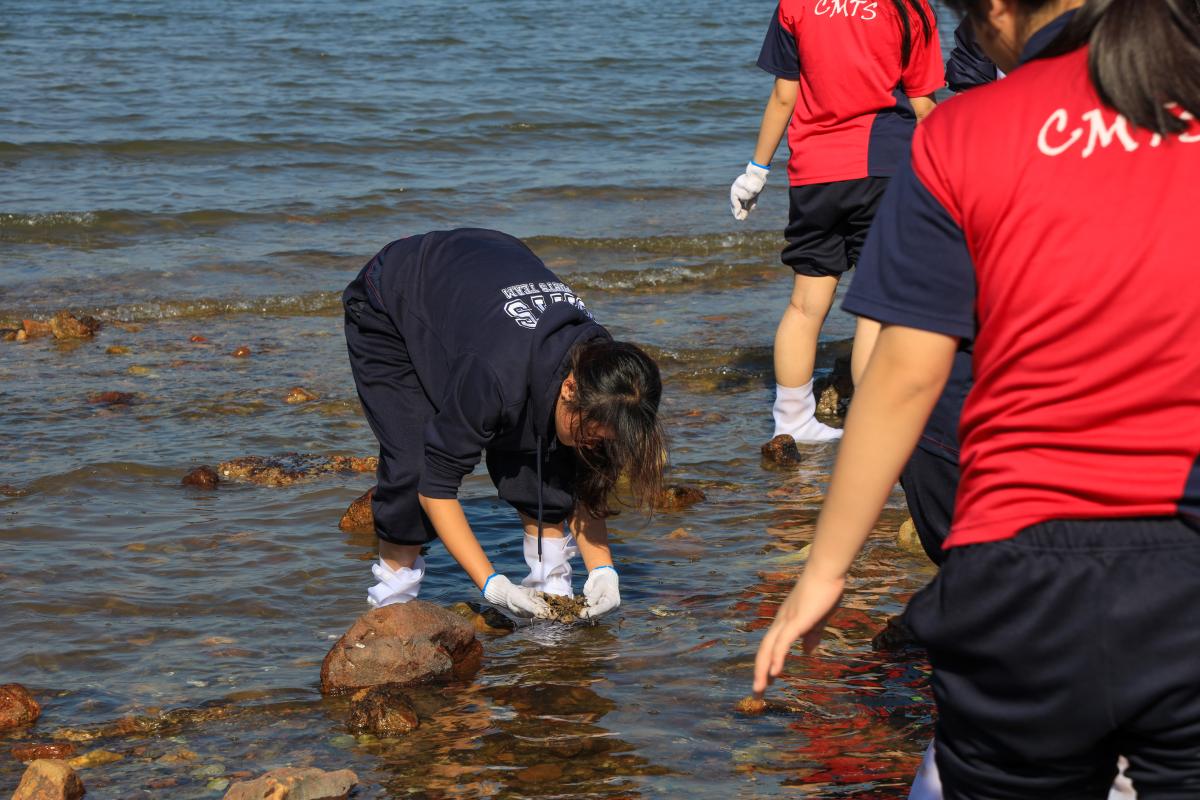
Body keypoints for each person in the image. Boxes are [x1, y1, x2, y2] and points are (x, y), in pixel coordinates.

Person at [754, 0, 1200, 797]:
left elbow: (905, 373)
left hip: (1021, 572)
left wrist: (824, 571)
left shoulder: (965, 130)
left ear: (997, 8)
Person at [342, 228, 665, 620]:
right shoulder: (494, 376)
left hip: (486, 274)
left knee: (550, 444)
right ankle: (393, 599)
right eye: (589, 437)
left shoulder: (609, 376)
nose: (592, 447)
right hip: (393, 296)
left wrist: (602, 568)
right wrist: (492, 583)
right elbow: (436, 488)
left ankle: (550, 583)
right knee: (414, 465)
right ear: (569, 388)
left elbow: (587, 475)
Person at [729, 0, 943, 444]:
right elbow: (923, 102)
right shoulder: (911, 7)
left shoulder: (796, 5)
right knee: (874, 311)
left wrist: (756, 171)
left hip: (815, 172)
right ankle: (871, 428)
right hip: (887, 167)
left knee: (805, 304)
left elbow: (784, 94)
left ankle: (792, 422)